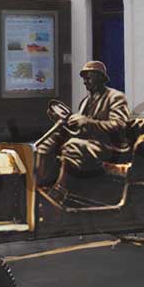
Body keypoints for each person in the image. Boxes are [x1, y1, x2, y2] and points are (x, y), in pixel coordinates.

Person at [35, 61, 130, 201]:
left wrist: (87, 122)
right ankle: (41, 186)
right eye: (84, 78)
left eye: (89, 77)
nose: (85, 81)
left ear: (100, 78)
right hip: (89, 143)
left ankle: (60, 192)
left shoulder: (115, 97)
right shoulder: (85, 101)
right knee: (48, 142)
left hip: (111, 147)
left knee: (73, 145)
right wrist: (64, 122)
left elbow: (119, 126)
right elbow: (78, 128)